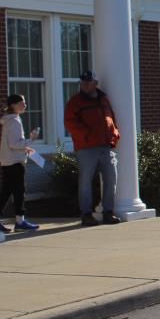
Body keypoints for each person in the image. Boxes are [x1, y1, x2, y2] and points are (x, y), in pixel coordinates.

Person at [63, 71, 122, 226]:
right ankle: (86, 214)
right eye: (83, 82)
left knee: (111, 178)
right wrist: (87, 134)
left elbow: (111, 118)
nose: (85, 85)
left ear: (95, 83)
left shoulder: (104, 99)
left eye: (88, 82)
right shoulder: (75, 101)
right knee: (85, 181)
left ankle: (108, 212)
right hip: (86, 147)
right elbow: (69, 122)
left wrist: (115, 134)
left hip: (106, 146)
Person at [0, 94, 41, 233]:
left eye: (24, 103)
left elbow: (11, 143)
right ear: (13, 105)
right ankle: (19, 221)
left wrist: (25, 147)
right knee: (19, 192)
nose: (25, 105)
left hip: (8, 161)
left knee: (7, 191)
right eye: (21, 103)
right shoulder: (14, 121)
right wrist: (31, 140)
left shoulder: (9, 120)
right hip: (15, 162)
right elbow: (14, 143)